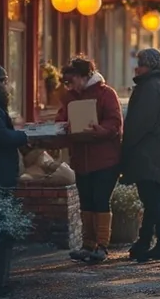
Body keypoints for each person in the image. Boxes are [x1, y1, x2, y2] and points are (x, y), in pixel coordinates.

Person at [53, 56, 123, 264]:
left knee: (101, 200)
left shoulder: (106, 93)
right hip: (81, 158)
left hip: (105, 159)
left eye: (71, 80)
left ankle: (102, 245)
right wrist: (63, 126)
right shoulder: (70, 97)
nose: (68, 85)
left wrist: (101, 130)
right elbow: (61, 117)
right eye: (65, 82)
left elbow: (115, 122)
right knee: (86, 202)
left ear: (84, 76)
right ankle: (87, 245)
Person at [122, 48, 160, 263]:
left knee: (153, 200)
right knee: (153, 200)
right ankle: (144, 242)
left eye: (141, 63)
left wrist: (125, 148)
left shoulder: (149, 89)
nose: (137, 67)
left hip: (149, 156)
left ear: (150, 66)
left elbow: (138, 125)